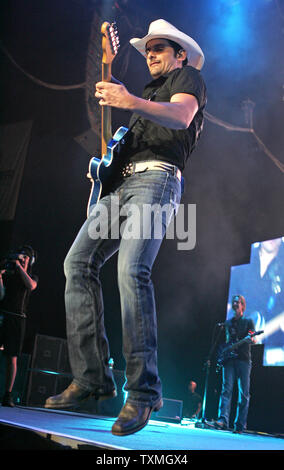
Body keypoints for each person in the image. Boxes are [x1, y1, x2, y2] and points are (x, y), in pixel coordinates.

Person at [45, 19, 207, 436]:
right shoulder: (147, 91)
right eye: (147, 49)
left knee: (132, 270)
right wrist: (110, 74)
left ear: (180, 54)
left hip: (158, 179)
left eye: (159, 48)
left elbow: (182, 116)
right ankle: (93, 377)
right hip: (120, 186)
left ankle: (143, 390)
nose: (151, 54)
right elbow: (122, 117)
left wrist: (128, 98)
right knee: (76, 264)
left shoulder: (188, 78)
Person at [0, 245, 38, 407]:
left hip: (18, 319)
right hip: (3, 315)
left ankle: (7, 394)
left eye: (25, 257)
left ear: (30, 260)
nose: (22, 258)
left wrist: (20, 267)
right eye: (20, 256)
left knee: (12, 357)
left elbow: (31, 286)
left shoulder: (31, 276)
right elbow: (1, 295)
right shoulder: (10, 275)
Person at [215, 295, 257, 433]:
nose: (235, 304)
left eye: (238, 302)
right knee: (226, 389)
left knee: (244, 393)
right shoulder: (228, 323)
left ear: (242, 306)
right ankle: (223, 420)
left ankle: (240, 424)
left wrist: (251, 339)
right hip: (229, 360)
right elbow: (226, 341)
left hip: (244, 360)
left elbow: (253, 338)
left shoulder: (248, 321)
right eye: (233, 302)